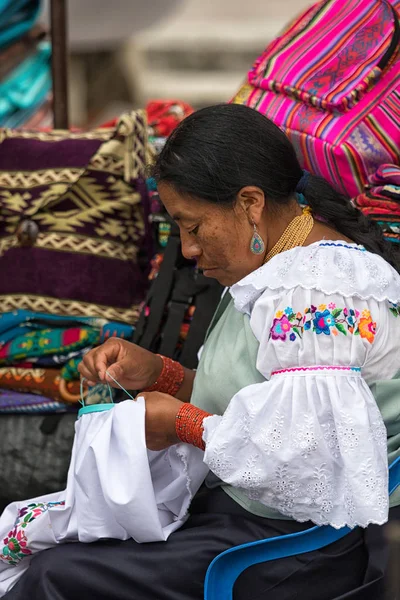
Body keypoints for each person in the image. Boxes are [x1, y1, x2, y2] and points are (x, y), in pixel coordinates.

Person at [4, 103, 400, 600]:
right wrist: (159, 374)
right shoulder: (276, 274)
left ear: (250, 203)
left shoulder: (319, 292)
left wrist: (180, 424)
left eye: (194, 227)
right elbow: (258, 404)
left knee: (56, 575)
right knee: (48, 551)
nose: (189, 250)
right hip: (251, 515)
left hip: (299, 544)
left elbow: (305, 458)